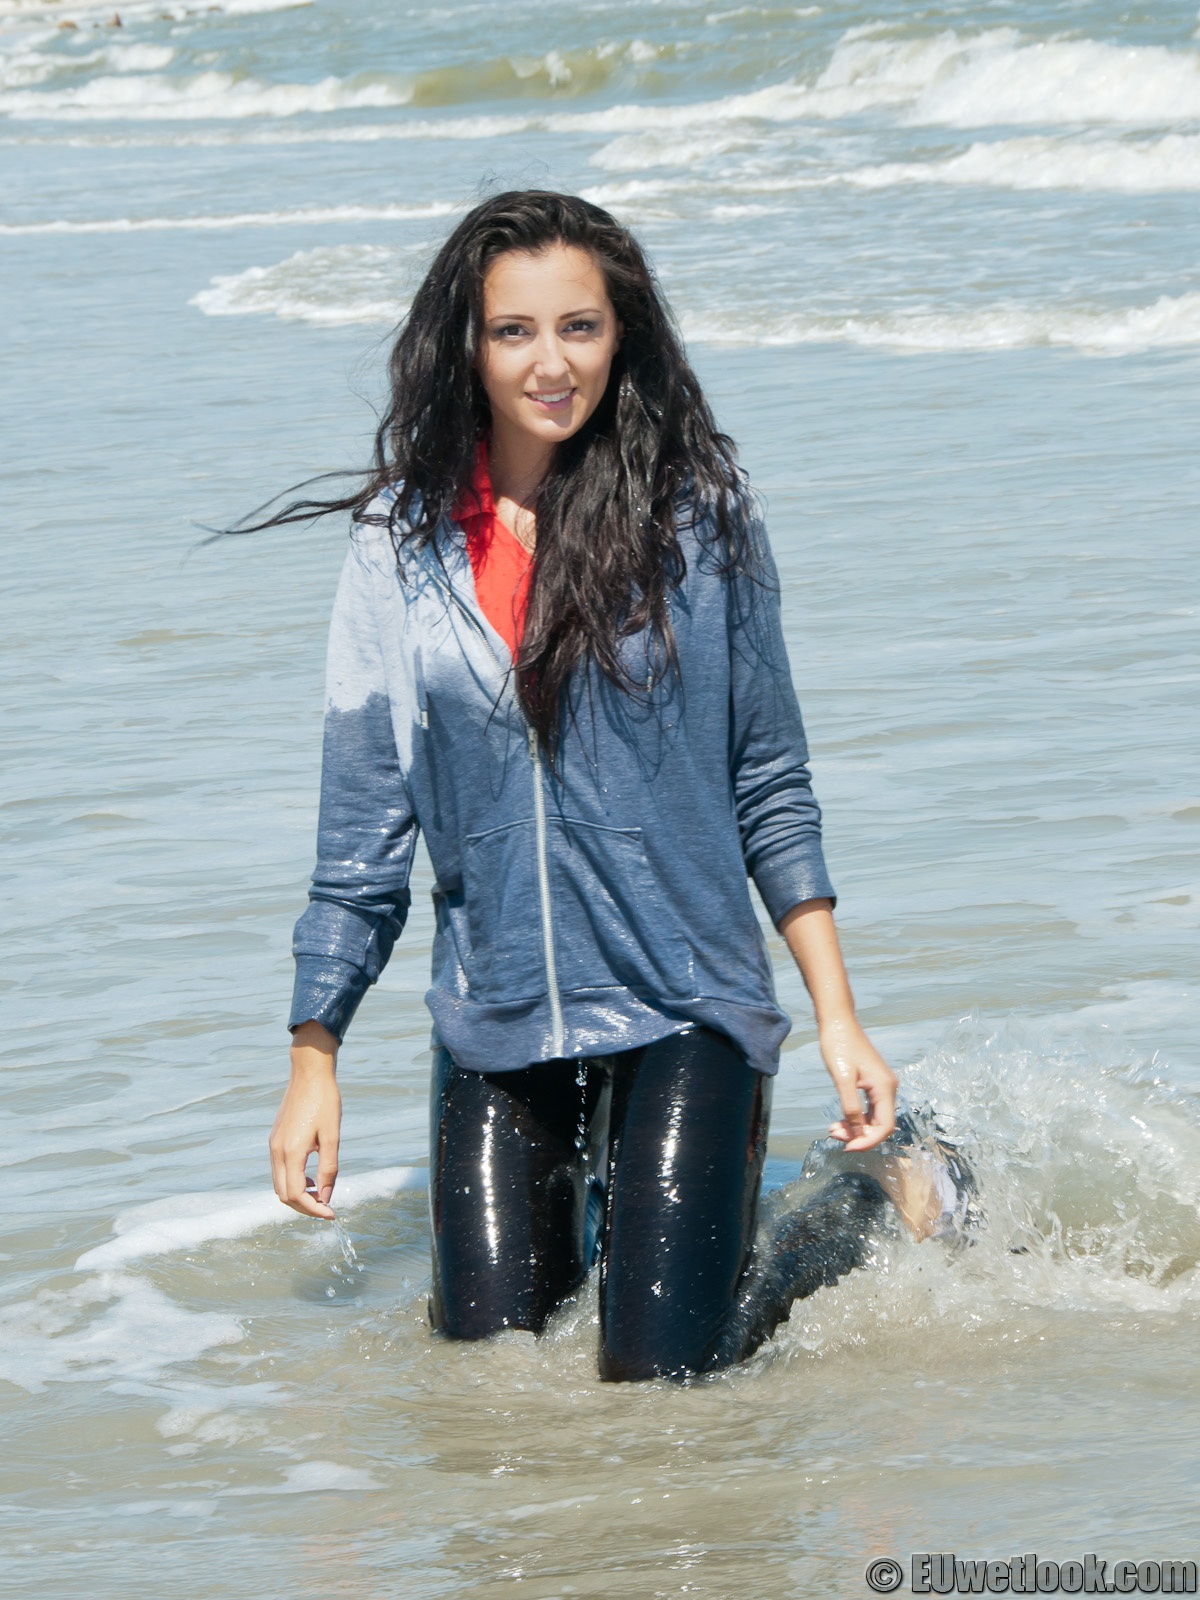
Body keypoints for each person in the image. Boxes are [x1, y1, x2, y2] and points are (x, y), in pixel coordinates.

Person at [266, 189, 943, 1381]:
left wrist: (838, 1017)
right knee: (488, 1375)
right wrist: (313, 1054)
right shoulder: (398, 545)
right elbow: (365, 820)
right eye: (514, 330)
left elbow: (768, 774)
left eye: (579, 327)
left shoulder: (699, 522)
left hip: (687, 1002)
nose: (551, 363)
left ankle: (856, 1203)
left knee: (663, 1380)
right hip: (498, 1017)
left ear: (622, 334)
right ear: (468, 345)